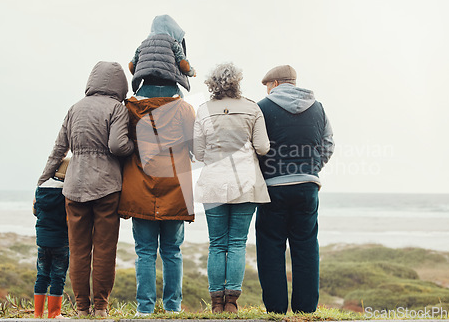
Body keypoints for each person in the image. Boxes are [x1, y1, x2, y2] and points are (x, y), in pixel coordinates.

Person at [37, 61, 134, 317]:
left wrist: (41, 182)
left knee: (78, 249)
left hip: (74, 187)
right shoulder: (117, 108)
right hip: (107, 187)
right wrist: (132, 148)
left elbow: (58, 150)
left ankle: (81, 307)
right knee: (104, 248)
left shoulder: (75, 109)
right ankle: (101, 307)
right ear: (120, 85)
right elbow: (117, 146)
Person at [256, 65, 334, 314]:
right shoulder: (318, 107)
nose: (267, 91)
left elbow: (255, 147)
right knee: (306, 247)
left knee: (270, 248)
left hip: (273, 188)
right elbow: (329, 144)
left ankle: (276, 311)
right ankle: (305, 310)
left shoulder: (263, 107)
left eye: (268, 86)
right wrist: (312, 167)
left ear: (275, 84)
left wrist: (265, 171)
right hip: (307, 186)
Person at [193, 63, 270, 313]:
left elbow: (199, 152)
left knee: (216, 243)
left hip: (213, 181)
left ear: (211, 83)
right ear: (237, 81)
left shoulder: (203, 110)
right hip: (245, 182)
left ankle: (216, 303)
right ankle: (232, 304)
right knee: (237, 242)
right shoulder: (252, 108)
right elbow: (263, 147)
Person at [118, 71, 195, 315]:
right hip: (174, 187)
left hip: (140, 186)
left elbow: (122, 143)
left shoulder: (130, 109)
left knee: (144, 251)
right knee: (173, 251)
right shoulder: (184, 109)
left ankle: (145, 308)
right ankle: (173, 308)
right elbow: (195, 145)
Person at [33, 158, 70, 319]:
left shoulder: (40, 189)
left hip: (42, 240)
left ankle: (38, 313)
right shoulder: (67, 192)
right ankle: (54, 313)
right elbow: (70, 218)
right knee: (57, 276)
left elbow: (35, 211)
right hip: (60, 241)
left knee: (42, 275)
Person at [129, 14, 196, 98]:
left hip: (147, 87)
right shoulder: (173, 43)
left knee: (139, 107)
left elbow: (132, 66)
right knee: (180, 106)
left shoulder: (143, 45)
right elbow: (183, 64)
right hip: (169, 88)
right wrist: (192, 72)